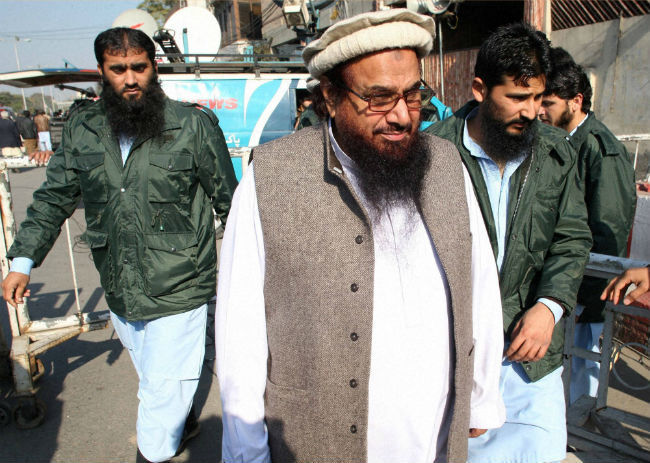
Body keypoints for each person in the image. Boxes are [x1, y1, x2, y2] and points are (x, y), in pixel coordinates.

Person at [216, 9, 505, 463]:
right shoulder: (272, 178)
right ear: (330, 97)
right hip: (318, 442)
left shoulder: (446, 164)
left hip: (434, 440)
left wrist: (483, 394)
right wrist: (246, 454)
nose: (402, 116)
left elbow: (479, 284)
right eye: (379, 98)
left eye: (412, 95)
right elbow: (240, 334)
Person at [1, 28, 237, 463]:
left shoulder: (192, 126)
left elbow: (231, 203)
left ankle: (153, 453)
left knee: (160, 395)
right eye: (118, 69)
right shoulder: (83, 129)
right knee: (155, 380)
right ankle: (182, 421)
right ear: (101, 71)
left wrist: (257, 274)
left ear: (154, 67)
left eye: (139, 68)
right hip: (120, 285)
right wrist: (23, 260)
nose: (130, 79)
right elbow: (54, 197)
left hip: (181, 287)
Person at [425, 23, 592, 463]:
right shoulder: (432, 153)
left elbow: (571, 239)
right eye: (517, 98)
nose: (531, 111)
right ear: (480, 90)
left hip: (530, 360)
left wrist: (549, 307)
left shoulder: (555, 153)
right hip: (452, 360)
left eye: (538, 98)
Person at [539, 47, 636, 404]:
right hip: (566, 289)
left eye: (548, 103)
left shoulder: (599, 149)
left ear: (576, 101)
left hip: (586, 295)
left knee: (583, 379)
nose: (540, 111)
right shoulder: (564, 142)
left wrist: (587, 301)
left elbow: (609, 233)